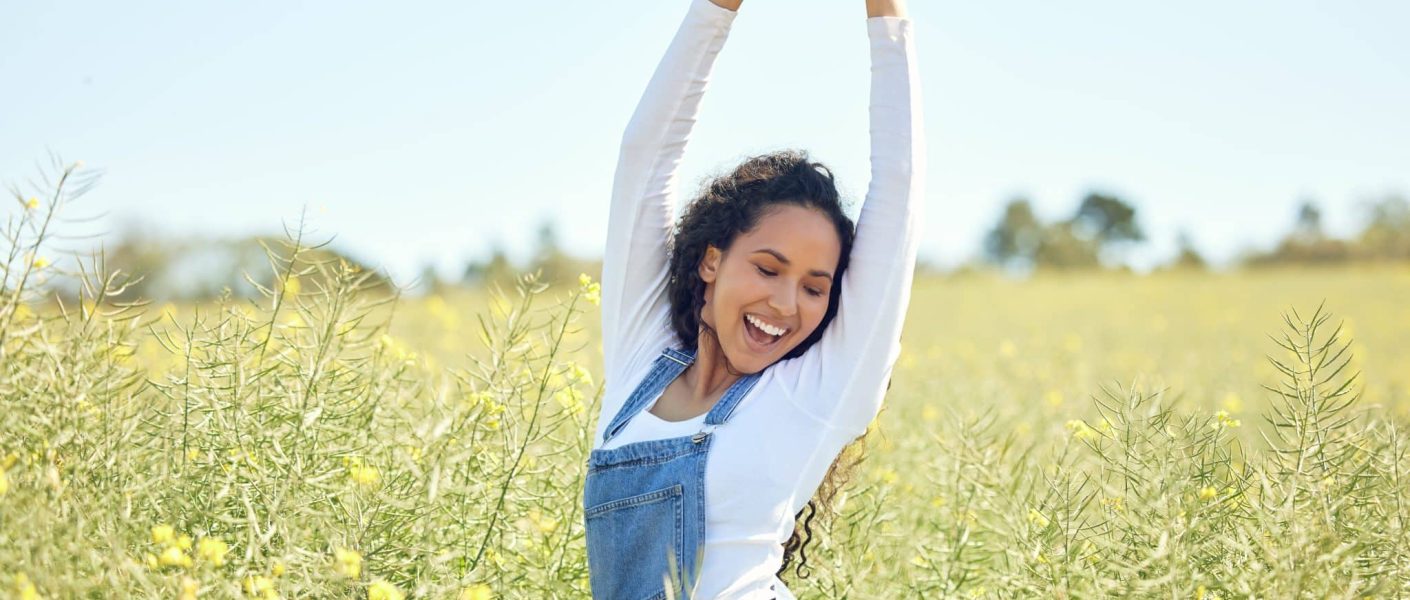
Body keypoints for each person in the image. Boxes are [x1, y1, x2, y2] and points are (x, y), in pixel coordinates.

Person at [584, 0, 923, 597]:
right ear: (711, 261)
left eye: (816, 287)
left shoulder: (816, 395)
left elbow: (899, 186)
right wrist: (716, 9)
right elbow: (645, 156)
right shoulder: (640, 360)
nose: (788, 304)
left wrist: (886, 17)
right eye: (768, 269)